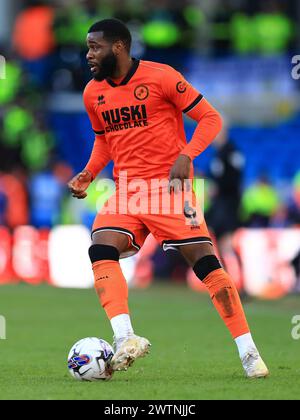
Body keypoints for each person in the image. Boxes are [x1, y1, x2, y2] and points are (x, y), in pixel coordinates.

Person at [68, 18, 268, 378]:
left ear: (119, 47)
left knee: (207, 267)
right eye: (88, 48)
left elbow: (209, 117)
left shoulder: (162, 77)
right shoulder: (92, 93)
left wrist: (187, 155)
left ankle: (250, 353)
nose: (88, 55)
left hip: (169, 189)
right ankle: (125, 337)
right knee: (100, 247)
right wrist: (88, 172)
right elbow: (104, 139)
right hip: (127, 188)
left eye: (95, 47)